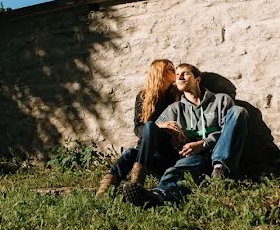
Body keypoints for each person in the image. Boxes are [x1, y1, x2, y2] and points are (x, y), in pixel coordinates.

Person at [123, 63, 249, 207]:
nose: (180, 77)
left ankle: (220, 172)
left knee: (239, 111)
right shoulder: (174, 109)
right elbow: (153, 131)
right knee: (177, 170)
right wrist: (171, 133)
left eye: (185, 73)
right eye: (177, 75)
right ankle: (156, 196)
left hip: (220, 153)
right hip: (194, 157)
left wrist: (203, 143)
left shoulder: (221, 100)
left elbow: (230, 130)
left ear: (198, 79)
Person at [95, 59, 184, 197]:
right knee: (132, 151)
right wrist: (159, 125)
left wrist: (163, 128)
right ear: (161, 73)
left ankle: (137, 182)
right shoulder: (143, 97)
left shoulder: (176, 95)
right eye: (171, 70)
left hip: (166, 152)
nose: (176, 72)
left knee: (135, 147)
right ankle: (105, 189)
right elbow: (138, 129)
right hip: (147, 152)